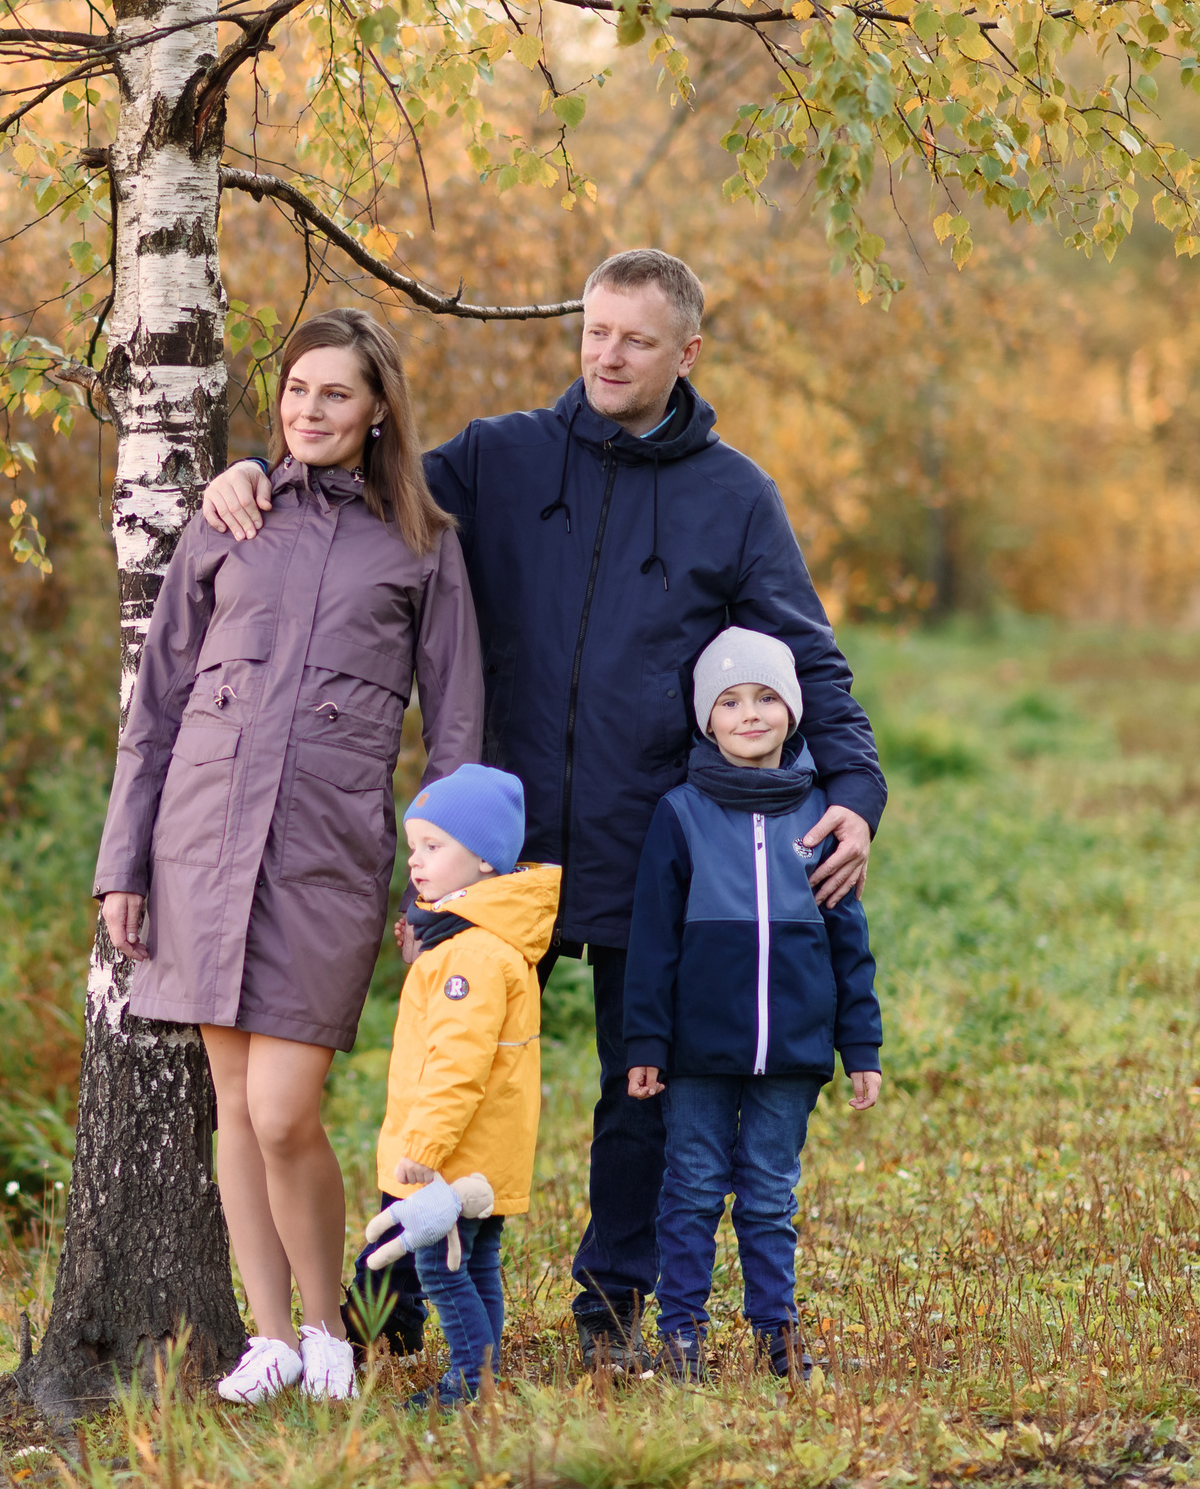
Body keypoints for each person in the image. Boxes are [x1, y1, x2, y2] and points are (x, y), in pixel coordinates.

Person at [200, 249, 885, 1365]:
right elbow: (362, 476)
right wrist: (249, 470)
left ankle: (610, 1309)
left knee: (641, 1086)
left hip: (649, 841)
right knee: (442, 1070)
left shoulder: (734, 496)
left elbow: (810, 658)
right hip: (494, 846)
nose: (608, 355)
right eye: (595, 332)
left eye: (636, 339)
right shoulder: (501, 457)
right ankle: (398, 1306)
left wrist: (852, 787)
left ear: (686, 354)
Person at [95, 307, 482, 1405]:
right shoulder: (229, 519)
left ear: (377, 413)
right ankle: (270, 1339)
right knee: (230, 1103)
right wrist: (122, 861)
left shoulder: (422, 543)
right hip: (202, 841)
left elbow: (455, 725)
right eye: (296, 390)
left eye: (335, 395)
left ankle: (330, 1327)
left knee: (281, 1109)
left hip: (326, 850)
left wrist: (445, 884)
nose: (309, 411)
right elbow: (157, 698)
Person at [623, 626, 883, 1381]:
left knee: (771, 1194)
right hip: (699, 1051)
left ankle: (779, 1334)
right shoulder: (681, 814)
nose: (750, 713)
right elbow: (652, 943)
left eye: (767, 696)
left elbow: (849, 941)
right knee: (694, 1186)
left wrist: (859, 1045)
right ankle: (681, 1336)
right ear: (707, 718)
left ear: (793, 711)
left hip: (793, 1053)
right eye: (731, 700)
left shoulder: (824, 815)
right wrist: (647, 1041)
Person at [367, 763, 560, 1406]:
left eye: (434, 846)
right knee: (476, 1263)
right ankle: (484, 1374)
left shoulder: (469, 955)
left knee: (441, 1268)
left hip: (455, 1155)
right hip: (486, 1151)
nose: (416, 861)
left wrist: (422, 1148)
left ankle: (470, 1385)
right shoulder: (480, 939)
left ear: (483, 861)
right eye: (414, 845)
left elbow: (458, 1064)